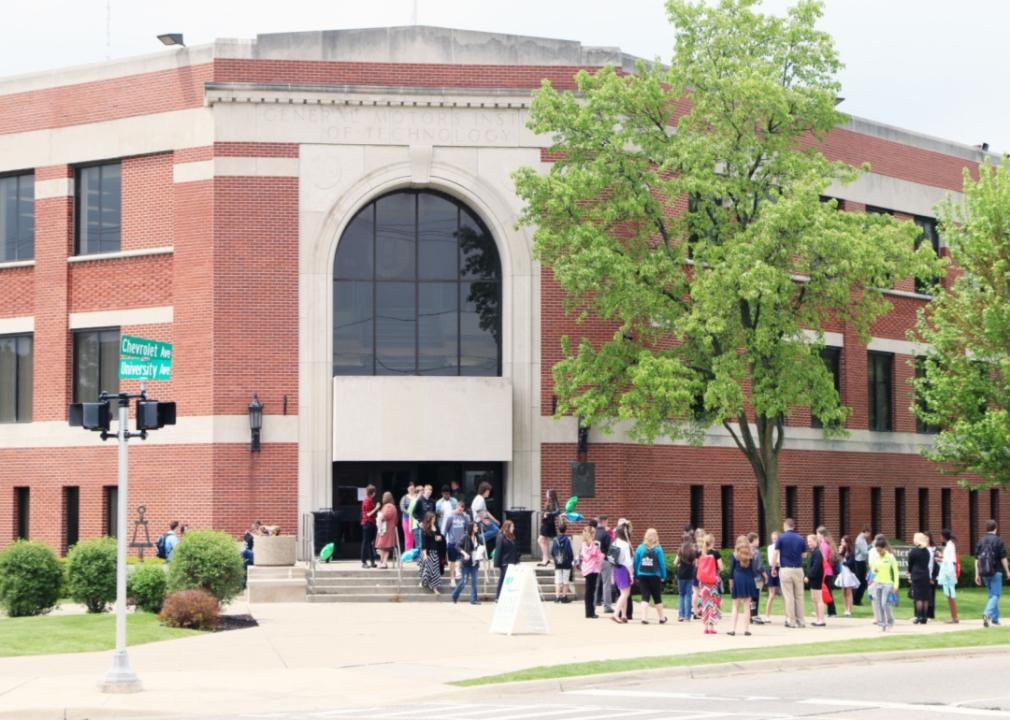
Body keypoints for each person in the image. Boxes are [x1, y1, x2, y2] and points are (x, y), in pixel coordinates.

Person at [975, 519, 1010, 627]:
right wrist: (1008, 571)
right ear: (996, 528)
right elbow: (1003, 557)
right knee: (996, 595)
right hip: (996, 571)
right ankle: (987, 614)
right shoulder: (998, 540)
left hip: (984, 572)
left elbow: (976, 559)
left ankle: (995, 619)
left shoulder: (980, 541)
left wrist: (977, 574)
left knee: (992, 595)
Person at [774, 519, 807, 628]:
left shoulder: (781, 537)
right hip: (798, 569)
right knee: (799, 596)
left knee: (788, 596)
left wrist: (773, 568)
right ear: (794, 526)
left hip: (786, 569)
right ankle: (801, 620)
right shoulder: (800, 538)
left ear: (785, 526)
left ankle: (791, 620)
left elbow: (775, 553)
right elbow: (804, 555)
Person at [633, 528, 668, 624]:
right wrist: (663, 575)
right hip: (655, 575)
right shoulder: (658, 549)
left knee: (645, 596)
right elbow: (662, 564)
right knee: (657, 597)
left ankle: (644, 618)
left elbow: (636, 562)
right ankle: (661, 618)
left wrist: (636, 574)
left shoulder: (640, 547)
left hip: (642, 574)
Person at [868, 534, 899, 631]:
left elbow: (895, 571)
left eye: (880, 550)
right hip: (877, 583)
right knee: (877, 604)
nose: (879, 552)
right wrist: (872, 577)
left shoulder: (890, 557)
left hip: (887, 584)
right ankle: (882, 624)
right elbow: (873, 570)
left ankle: (890, 622)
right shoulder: (876, 557)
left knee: (884, 603)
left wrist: (896, 584)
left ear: (884, 548)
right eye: (877, 550)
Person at [728, 535, 756, 636]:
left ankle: (732, 629)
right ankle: (746, 629)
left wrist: (730, 582)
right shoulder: (751, 555)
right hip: (748, 579)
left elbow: (731, 571)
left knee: (735, 606)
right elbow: (754, 571)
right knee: (747, 606)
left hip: (738, 579)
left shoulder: (734, 555)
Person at [696, 533, 723, 634]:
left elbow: (697, 565)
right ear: (712, 542)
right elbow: (721, 567)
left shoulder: (700, 553)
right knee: (712, 604)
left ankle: (706, 627)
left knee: (705, 604)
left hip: (703, 583)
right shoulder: (715, 553)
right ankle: (711, 627)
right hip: (712, 582)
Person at [452, 521, 483, 605]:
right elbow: (457, 546)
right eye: (475, 527)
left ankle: (473, 600)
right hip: (466, 563)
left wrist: (481, 552)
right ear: (471, 528)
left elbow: (480, 547)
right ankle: (455, 594)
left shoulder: (478, 537)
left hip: (475, 562)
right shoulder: (465, 536)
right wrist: (464, 553)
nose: (477, 528)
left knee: (474, 582)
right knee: (464, 581)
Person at [610, 523, 634, 624]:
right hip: (624, 569)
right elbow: (628, 562)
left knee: (622, 593)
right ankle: (616, 614)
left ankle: (624, 615)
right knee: (625, 593)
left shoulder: (614, 543)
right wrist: (631, 574)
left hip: (616, 568)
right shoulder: (625, 545)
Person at [908, 532, 933, 624]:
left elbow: (910, 564)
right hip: (925, 574)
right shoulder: (926, 551)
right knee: (925, 597)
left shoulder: (913, 551)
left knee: (918, 597)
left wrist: (909, 573)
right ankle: (924, 617)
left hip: (916, 574)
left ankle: (918, 616)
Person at [578, 526, 603, 619]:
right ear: (591, 534)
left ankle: (590, 611)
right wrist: (598, 554)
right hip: (591, 569)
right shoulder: (589, 545)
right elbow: (592, 555)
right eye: (594, 533)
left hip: (590, 569)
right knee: (590, 591)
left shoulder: (587, 544)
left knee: (590, 591)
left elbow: (593, 555)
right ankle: (590, 612)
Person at [444, 501, 470, 587]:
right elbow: (446, 529)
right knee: (452, 561)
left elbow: (467, 529)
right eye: (459, 509)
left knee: (462, 559)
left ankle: (458, 572)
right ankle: (452, 579)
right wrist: (444, 541)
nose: (461, 511)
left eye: (462, 509)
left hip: (461, 543)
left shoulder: (465, 517)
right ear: (456, 507)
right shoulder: (450, 517)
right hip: (452, 542)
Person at [493, 520, 520, 600]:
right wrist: (496, 563)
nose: (513, 528)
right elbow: (498, 550)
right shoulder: (501, 536)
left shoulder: (512, 536)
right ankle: (498, 596)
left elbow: (514, 549)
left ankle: (502, 596)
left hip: (512, 561)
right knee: (505, 579)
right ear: (507, 527)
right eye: (512, 526)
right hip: (504, 562)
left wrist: (517, 560)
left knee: (506, 579)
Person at [804, 533, 827, 626]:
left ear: (815, 541)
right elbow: (810, 566)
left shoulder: (817, 552)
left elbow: (816, 567)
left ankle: (821, 620)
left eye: (810, 541)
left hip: (817, 578)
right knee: (814, 598)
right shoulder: (814, 552)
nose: (808, 543)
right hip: (813, 578)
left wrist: (808, 576)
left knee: (818, 598)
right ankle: (818, 619)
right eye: (807, 541)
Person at [937, 528, 959, 623]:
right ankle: (954, 617)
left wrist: (939, 559)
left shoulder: (950, 546)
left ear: (944, 536)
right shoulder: (949, 545)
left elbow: (950, 561)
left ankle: (954, 618)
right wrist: (941, 556)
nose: (940, 537)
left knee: (950, 595)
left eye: (941, 535)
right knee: (949, 595)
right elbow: (948, 559)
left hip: (948, 574)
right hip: (948, 572)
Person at [550, 521, 575, 602]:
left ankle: (557, 597)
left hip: (558, 562)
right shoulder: (568, 540)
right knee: (565, 580)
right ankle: (564, 597)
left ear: (558, 529)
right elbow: (569, 551)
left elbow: (552, 551)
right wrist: (571, 560)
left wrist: (555, 559)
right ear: (565, 530)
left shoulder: (555, 539)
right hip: (566, 563)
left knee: (557, 580)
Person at [594, 516, 614, 614]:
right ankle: (607, 606)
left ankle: (593, 604)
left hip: (593, 561)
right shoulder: (606, 534)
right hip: (604, 560)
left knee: (595, 583)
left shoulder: (592, 533)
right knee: (606, 584)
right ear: (604, 522)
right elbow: (610, 549)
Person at [835, 535, 860, 616]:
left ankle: (849, 609)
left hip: (848, 573)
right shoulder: (843, 551)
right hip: (842, 573)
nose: (841, 543)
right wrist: (839, 553)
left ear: (847, 542)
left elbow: (851, 562)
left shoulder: (851, 552)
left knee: (849, 591)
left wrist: (844, 562)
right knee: (843, 592)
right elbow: (838, 560)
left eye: (843, 541)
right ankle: (845, 609)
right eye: (841, 541)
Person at [418, 512, 442, 595]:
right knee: (427, 569)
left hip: (435, 551)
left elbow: (440, 537)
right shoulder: (424, 529)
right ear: (429, 519)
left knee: (435, 571)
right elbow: (424, 543)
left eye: (434, 518)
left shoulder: (436, 527)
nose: (434, 520)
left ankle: (435, 588)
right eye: (432, 518)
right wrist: (425, 554)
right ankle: (423, 582)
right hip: (428, 552)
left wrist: (439, 538)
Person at [374, 491, 398, 569]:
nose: (383, 498)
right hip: (386, 529)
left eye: (384, 497)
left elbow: (385, 516)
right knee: (384, 547)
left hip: (386, 530)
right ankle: (383, 562)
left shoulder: (389, 506)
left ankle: (384, 562)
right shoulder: (390, 506)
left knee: (382, 546)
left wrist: (379, 516)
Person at [817, 526, 837, 617]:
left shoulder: (823, 545)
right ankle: (829, 611)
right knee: (827, 591)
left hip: (826, 572)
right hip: (829, 571)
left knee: (826, 592)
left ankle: (831, 611)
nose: (816, 536)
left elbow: (823, 559)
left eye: (817, 534)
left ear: (821, 535)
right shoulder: (826, 544)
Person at [675, 537, 697, 622]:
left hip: (681, 575)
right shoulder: (693, 552)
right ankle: (688, 616)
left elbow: (675, 562)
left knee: (681, 595)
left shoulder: (680, 551)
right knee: (689, 595)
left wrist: (679, 566)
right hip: (690, 575)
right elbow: (695, 563)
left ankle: (681, 615)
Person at [538, 489, 561, 567]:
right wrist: (544, 514)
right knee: (545, 541)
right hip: (546, 522)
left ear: (551, 494)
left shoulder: (554, 502)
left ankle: (546, 558)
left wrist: (548, 513)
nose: (546, 494)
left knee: (540, 540)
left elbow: (558, 512)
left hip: (548, 524)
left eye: (547, 493)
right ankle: (546, 559)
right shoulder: (548, 502)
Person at [746, 532, 765, 625]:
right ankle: (754, 616)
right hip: (756, 578)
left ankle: (749, 615)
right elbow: (759, 566)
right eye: (757, 539)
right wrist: (765, 574)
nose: (758, 541)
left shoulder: (745, 550)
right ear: (753, 540)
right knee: (756, 598)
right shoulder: (756, 551)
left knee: (750, 598)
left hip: (747, 577)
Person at [359, 485, 379, 568]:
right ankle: (364, 562)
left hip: (370, 523)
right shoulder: (367, 500)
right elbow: (368, 514)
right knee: (366, 543)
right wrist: (377, 507)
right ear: (373, 493)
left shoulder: (369, 500)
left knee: (370, 543)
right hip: (367, 523)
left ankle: (372, 561)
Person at [853, 525, 871, 606]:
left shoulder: (862, 538)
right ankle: (856, 600)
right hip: (859, 562)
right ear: (866, 532)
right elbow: (865, 552)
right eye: (868, 534)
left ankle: (856, 599)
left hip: (860, 561)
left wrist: (870, 546)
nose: (869, 536)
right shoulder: (860, 540)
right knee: (862, 582)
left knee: (862, 582)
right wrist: (873, 548)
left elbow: (865, 549)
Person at [764, 530, 780, 622]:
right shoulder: (770, 547)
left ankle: (788, 616)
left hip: (780, 568)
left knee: (784, 594)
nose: (774, 540)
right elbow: (771, 560)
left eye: (776, 538)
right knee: (772, 594)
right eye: (773, 539)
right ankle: (767, 615)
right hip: (772, 568)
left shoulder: (782, 547)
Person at [399, 483, 416, 551]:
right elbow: (402, 508)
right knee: (408, 537)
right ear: (408, 489)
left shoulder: (417, 497)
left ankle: (416, 555)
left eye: (413, 488)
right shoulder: (404, 498)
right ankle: (408, 554)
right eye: (410, 488)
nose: (411, 490)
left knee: (416, 537)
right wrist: (409, 512)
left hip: (416, 520)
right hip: (406, 519)